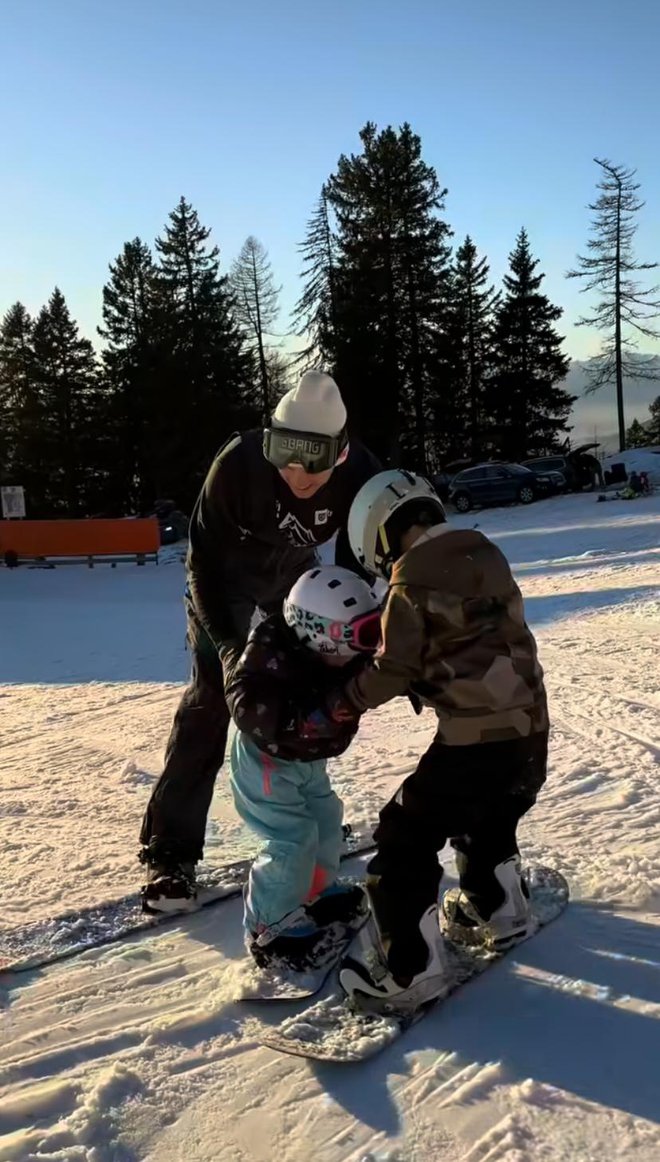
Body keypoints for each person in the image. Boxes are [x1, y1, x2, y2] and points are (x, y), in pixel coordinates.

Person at [306, 470, 549, 1012]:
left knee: (403, 834)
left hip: (477, 742)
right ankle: (501, 909)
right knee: (488, 816)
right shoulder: (486, 555)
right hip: (531, 732)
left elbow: (393, 669)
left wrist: (342, 700)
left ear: (378, 534)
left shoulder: (409, 580)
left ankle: (410, 970)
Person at [139, 371, 380, 912]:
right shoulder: (239, 465)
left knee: (310, 688)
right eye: (285, 454)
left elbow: (359, 562)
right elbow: (200, 565)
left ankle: (304, 820)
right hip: (221, 584)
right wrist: (228, 649)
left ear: (340, 455)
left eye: (313, 459)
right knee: (210, 701)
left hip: (294, 579)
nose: (296, 472)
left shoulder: (363, 473)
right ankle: (169, 854)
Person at [224, 565, 382, 970]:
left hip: (307, 761)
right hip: (265, 761)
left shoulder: (336, 656)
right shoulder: (269, 658)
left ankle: (314, 894)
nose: (364, 648)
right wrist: (321, 714)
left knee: (326, 821)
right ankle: (269, 926)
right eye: (359, 636)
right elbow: (250, 706)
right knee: (290, 839)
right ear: (320, 633)